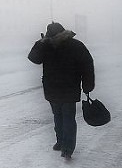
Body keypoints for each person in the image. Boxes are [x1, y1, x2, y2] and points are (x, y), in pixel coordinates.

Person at [28, 22, 95, 160]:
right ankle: (66, 147)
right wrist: (88, 85)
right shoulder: (76, 45)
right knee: (67, 117)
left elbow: (33, 58)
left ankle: (63, 144)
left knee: (58, 116)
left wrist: (40, 42)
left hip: (53, 88)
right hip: (69, 88)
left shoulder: (46, 46)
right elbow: (87, 65)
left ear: (48, 34)